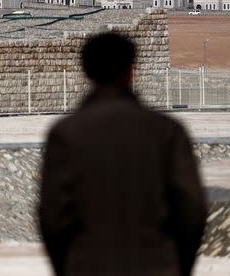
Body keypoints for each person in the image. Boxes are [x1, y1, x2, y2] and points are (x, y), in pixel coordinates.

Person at [39, 32, 207, 276]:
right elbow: (190, 209)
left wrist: (68, 265)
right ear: (131, 71)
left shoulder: (66, 134)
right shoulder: (166, 131)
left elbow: (53, 216)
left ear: (86, 72)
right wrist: (177, 264)